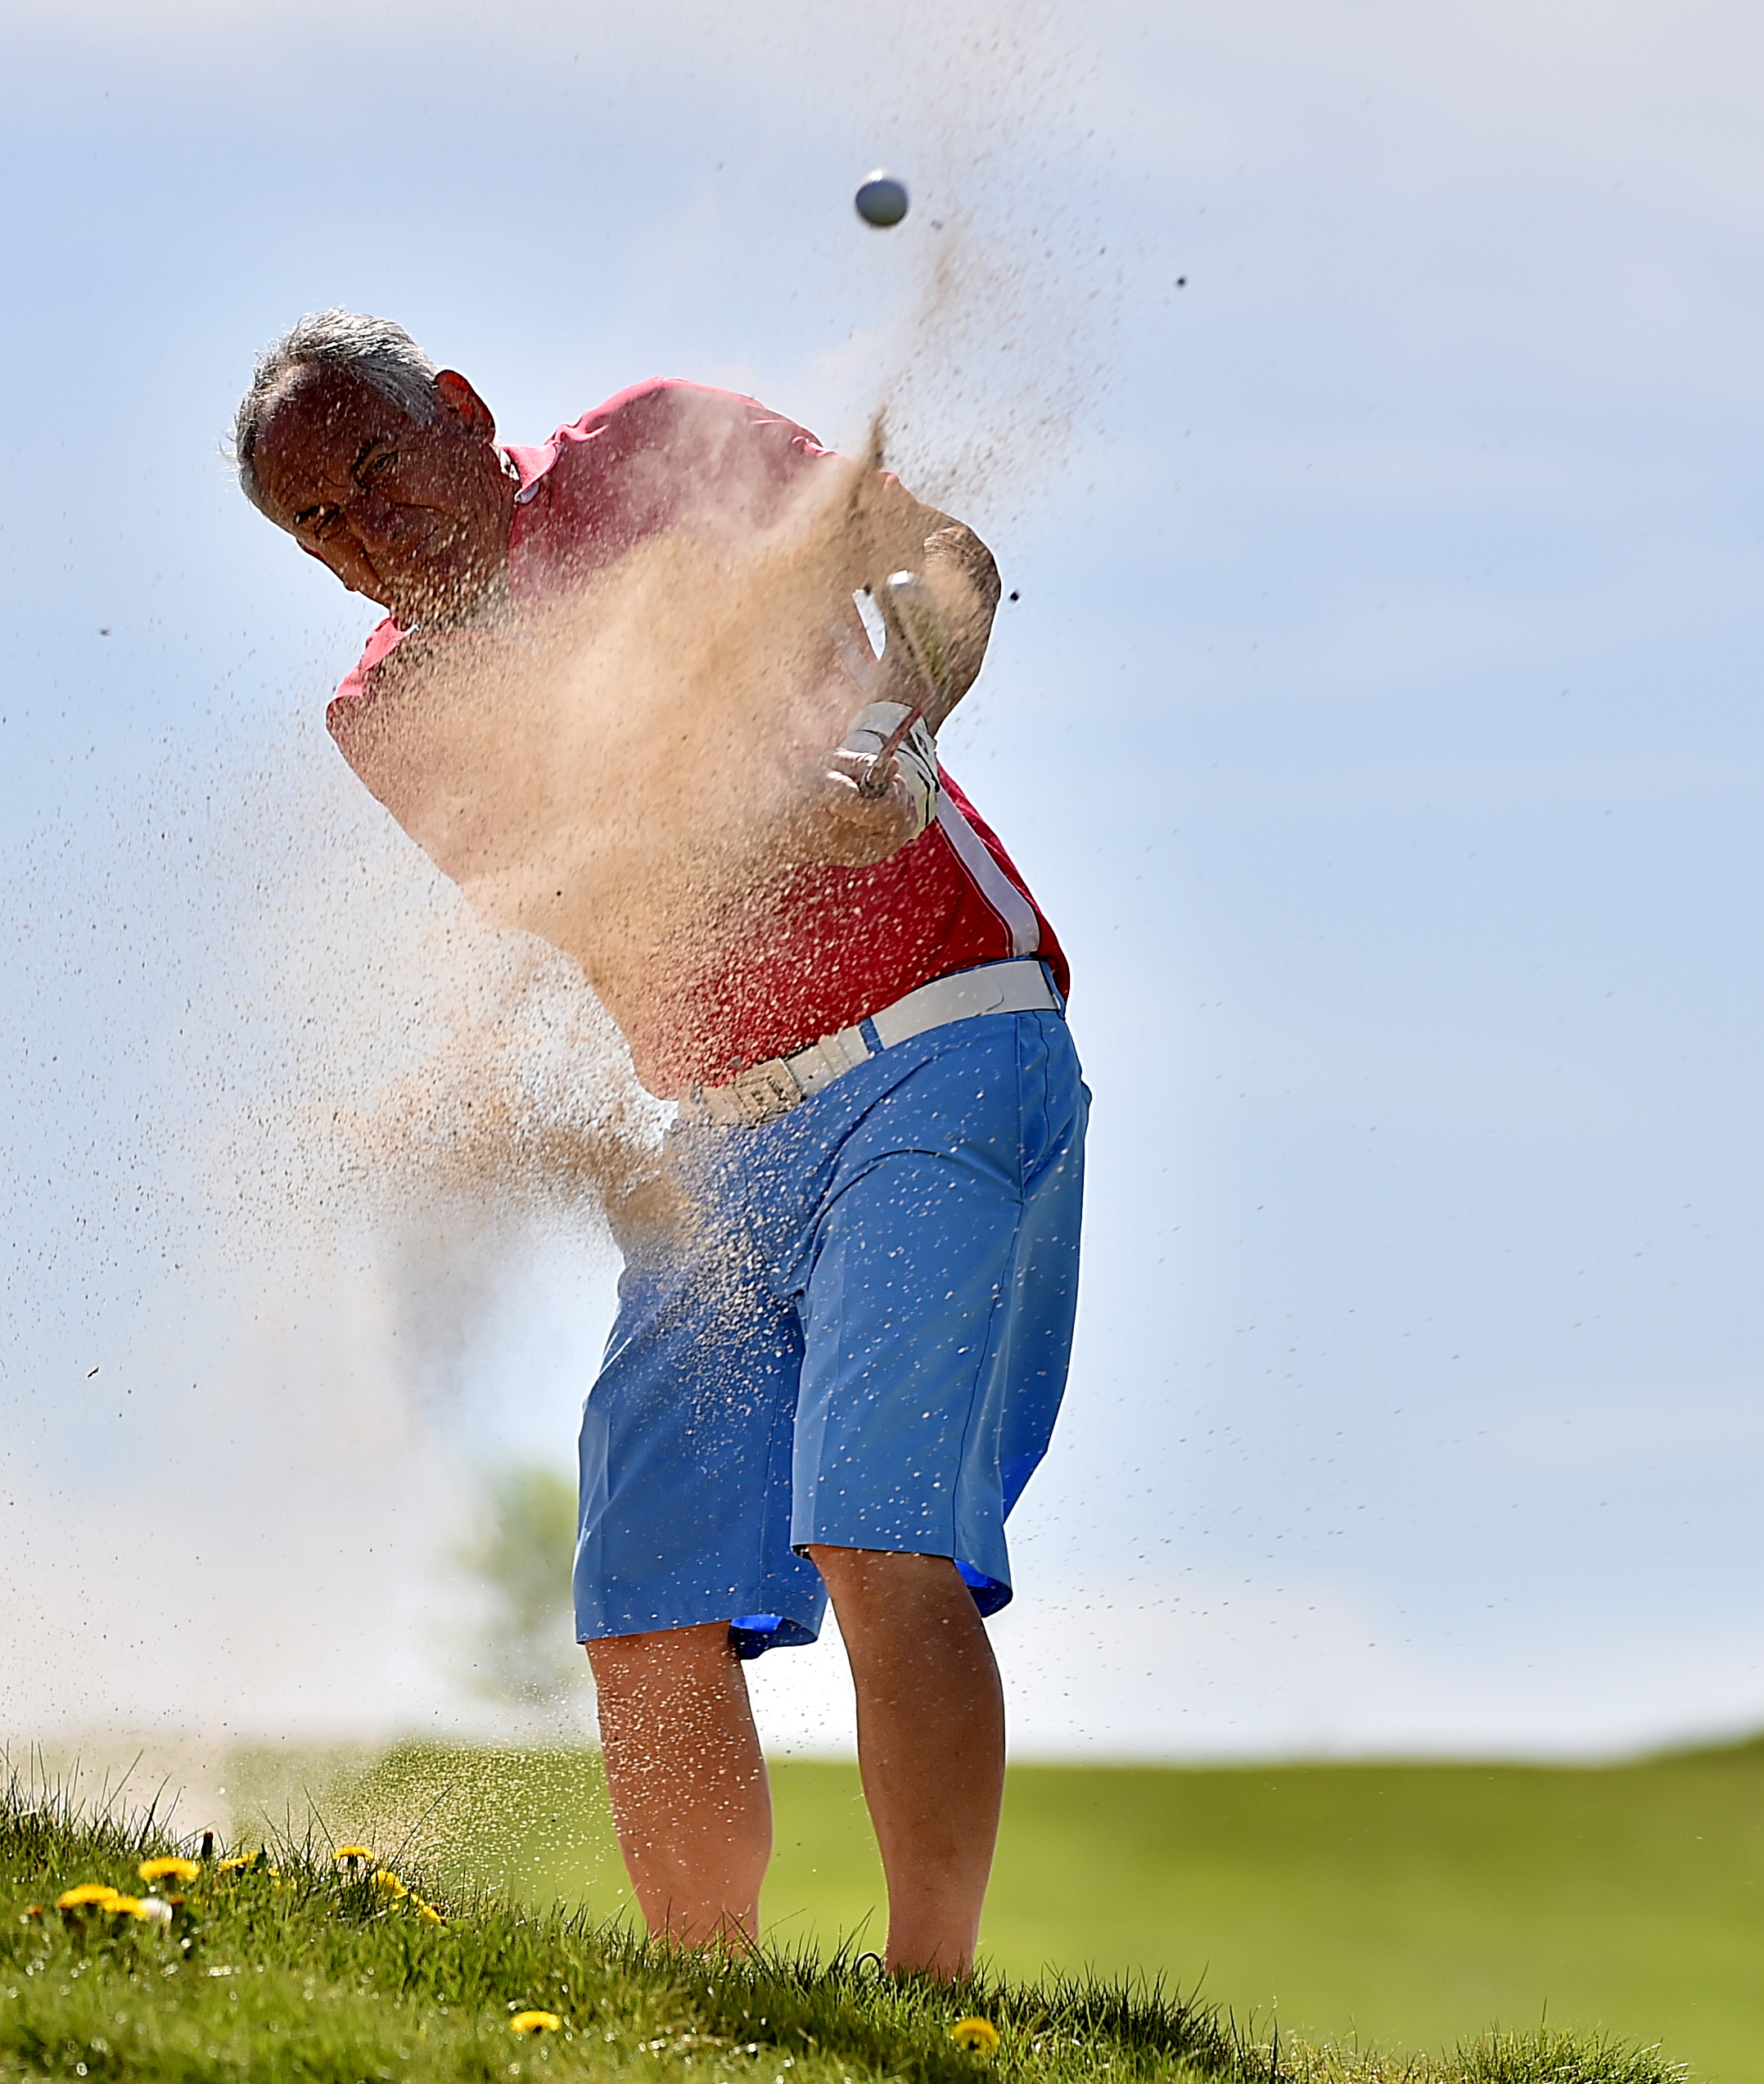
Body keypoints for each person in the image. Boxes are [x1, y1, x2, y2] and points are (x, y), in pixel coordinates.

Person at [232, 310, 1088, 1982]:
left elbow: (947, 566)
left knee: (879, 1529)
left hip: (942, 1039)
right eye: (319, 524)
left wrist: (897, 721)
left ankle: (934, 2005)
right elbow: (602, 896)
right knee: (643, 1595)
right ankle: (711, 2007)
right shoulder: (391, 705)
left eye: (380, 471)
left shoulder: (655, 447)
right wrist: (773, 811)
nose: (367, 535)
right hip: (721, 1134)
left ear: (462, 412)